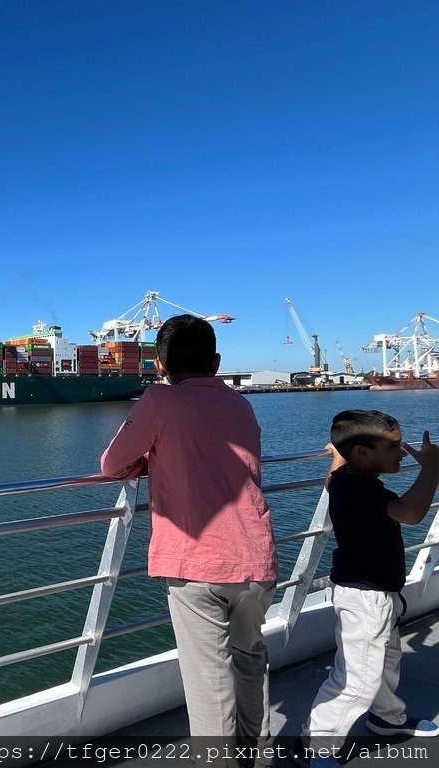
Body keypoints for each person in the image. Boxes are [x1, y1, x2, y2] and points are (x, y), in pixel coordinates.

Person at [100, 315, 278, 764]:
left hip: (194, 565)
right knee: (248, 661)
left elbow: (111, 463)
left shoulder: (159, 399)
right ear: (216, 362)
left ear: (159, 365)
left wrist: (151, 461)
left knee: (209, 684)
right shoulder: (241, 405)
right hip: (256, 560)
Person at [300, 410, 439, 768]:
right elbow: (410, 513)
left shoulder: (345, 480)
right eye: (393, 447)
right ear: (362, 453)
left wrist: (337, 456)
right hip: (366, 597)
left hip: (374, 592)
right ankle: (316, 745)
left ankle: (386, 718)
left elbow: (331, 480)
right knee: (357, 679)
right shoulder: (365, 492)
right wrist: (432, 469)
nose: (403, 452)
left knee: (386, 659)